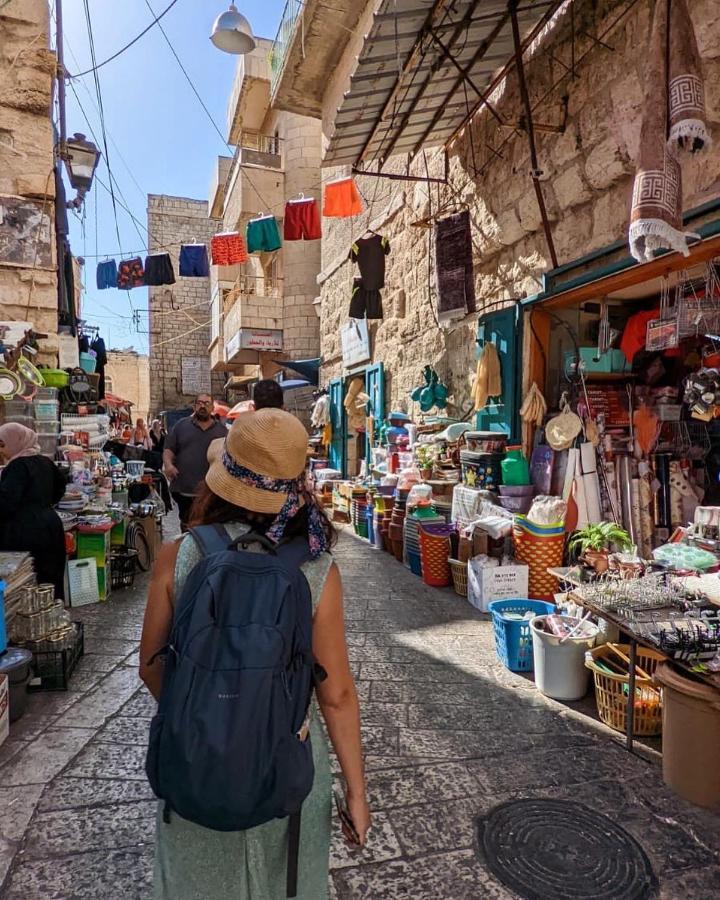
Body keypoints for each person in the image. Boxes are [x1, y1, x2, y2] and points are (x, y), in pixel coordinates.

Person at [140, 409, 369, 899]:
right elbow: (337, 696)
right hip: (286, 763)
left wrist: (205, 712)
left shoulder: (176, 556)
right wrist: (356, 792)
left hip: (195, 760)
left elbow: (150, 665)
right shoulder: (317, 571)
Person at [0, 423, 67, 599]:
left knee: (27, 581)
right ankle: (52, 617)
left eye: (3, 444)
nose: (1, 449)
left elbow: (6, 502)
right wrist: (44, 505)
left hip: (25, 530)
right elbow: (61, 487)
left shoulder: (17, 467)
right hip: (50, 525)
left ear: (17, 442)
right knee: (50, 578)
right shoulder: (45, 462)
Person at [163, 394, 227, 529]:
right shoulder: (181, 426)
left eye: (207, 403)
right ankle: (187, 548)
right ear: (194, 406)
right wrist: (168, 465)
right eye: (200, 403)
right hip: (185, 489)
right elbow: (168, 449)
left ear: (212, 407)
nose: (203, 406)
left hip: (211, 490)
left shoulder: (222, 431)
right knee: (187, 526)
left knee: (208, 526)